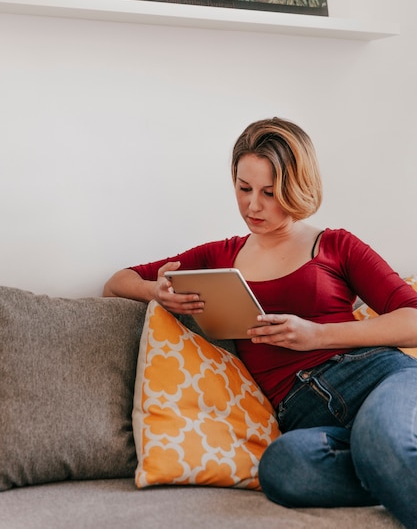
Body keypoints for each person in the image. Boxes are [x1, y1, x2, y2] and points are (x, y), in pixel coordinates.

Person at [103, 117, 417, 528]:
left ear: (296, 185)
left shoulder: (336, 245)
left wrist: (317, 335)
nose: (253, 206)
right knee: (282, 468)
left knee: (383, 438)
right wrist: (156, 293)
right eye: (244, 188)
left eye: (270, 192)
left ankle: (388, 453)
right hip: (306, 415)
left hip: (378, 377)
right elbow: (117, 281)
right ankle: (387, 462)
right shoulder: (221, 256)